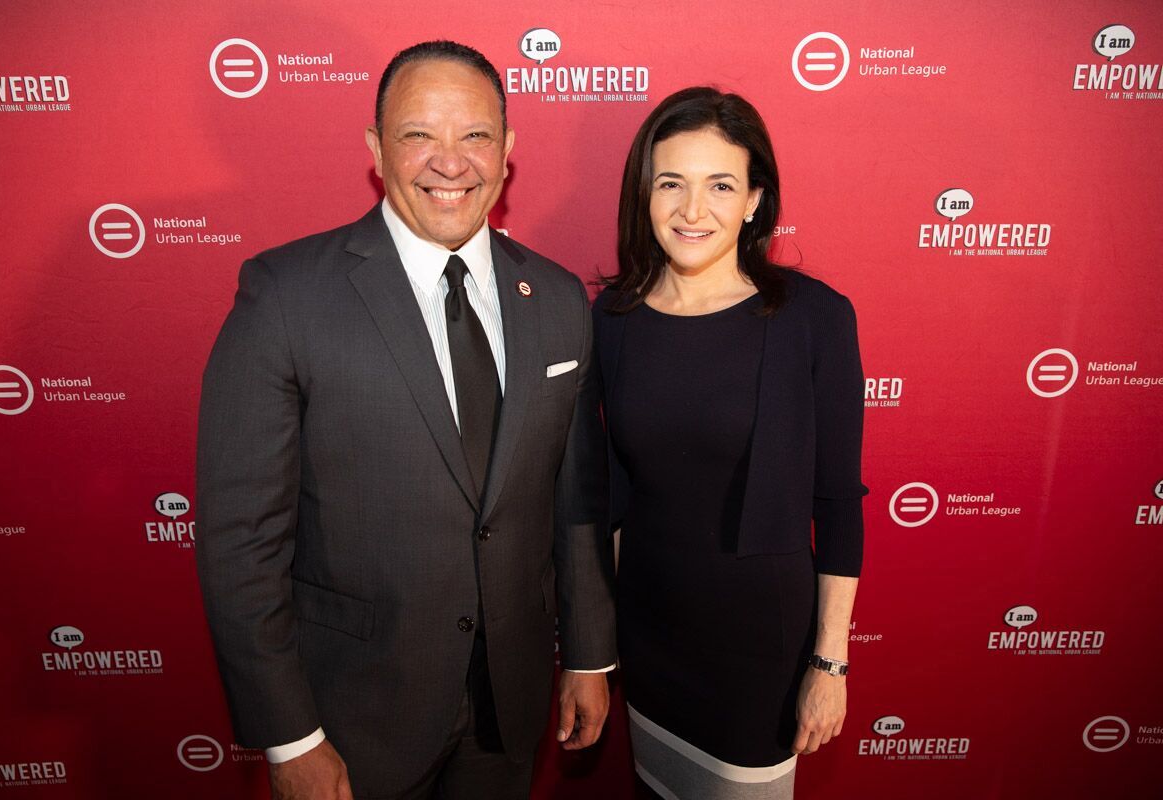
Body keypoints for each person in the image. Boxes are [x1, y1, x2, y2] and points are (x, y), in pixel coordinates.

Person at [195, 40, 616, 800]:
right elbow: (239, 541)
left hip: (509, 707)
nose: (449, 163)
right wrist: (291, 736)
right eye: (419, 133)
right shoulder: (285, 296)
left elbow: (575, 496)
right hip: (352, 716)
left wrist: (586, 656)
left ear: (509, 149)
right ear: (375, 148)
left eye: (475, 135)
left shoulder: (556, 299)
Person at [592, 87, 866, 799]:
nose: (692, 210)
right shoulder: (613, 320)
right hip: (649, 637)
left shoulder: (813, 319)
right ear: (644, 194)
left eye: (720, 185)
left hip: (760, 654)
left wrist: (828, 664)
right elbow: (611, 494)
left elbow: (837, 505)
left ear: (753, 200)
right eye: (671, 184)